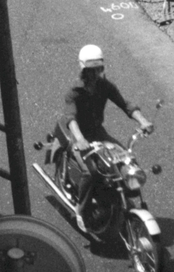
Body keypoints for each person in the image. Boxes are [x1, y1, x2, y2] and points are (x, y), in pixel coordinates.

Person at [54, 45, 153, 223]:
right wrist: (81, 140)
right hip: (79, 136)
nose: (95, 73)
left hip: (98, 132)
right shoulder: (74, 92)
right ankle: (80, 210)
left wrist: (143, 120)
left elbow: (125, 104)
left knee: (128, 161)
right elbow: (70, 118)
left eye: (98, 68)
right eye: (91, 70)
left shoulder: (105, 86)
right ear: (83, 69)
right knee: (90, 172)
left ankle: (114, 196)